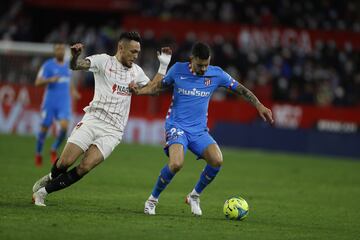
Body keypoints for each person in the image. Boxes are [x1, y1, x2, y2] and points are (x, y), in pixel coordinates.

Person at [129, 42, 274, 216]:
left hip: (199, 131)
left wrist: (259, 105)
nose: (204, 69)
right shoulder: (178, 70)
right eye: (200, 65)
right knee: (176, 163)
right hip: (177, 125)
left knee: (217, 160)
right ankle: (152, 200)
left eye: (206, 64)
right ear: (192, 59)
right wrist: (139, 92)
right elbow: (156, 88)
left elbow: (241, 90)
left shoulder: (217, 73)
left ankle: (194, 196)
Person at [32, 31, 172, 206]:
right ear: (121, 47)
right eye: (133, 51)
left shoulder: (136, 71)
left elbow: (153, 89)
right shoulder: (102, 61)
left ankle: (42, 193)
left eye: (138, 52)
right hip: (93, 119)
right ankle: (52, 176)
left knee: (85, 167)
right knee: (65, 162)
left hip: (113, 131)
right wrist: (75, 57)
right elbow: (76, 66)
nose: (136, 56)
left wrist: (163, 66)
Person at [34, 43, 80, 166]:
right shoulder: (48, 66)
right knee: (44, 128)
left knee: (64, 128)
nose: (60, 51)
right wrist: (50, 80)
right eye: (58, 49)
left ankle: (53, 148)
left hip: (64, 102)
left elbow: (68, 82)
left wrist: (73, 91)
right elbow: (37, 82)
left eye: (62, 49)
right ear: (54, 52)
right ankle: (38, 153)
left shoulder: (68, 66)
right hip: (50, 101)